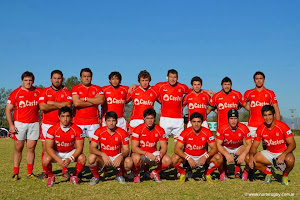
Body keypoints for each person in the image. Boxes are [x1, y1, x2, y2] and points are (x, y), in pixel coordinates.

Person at [6, 71, 42, 180]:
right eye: (26, 80)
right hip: (19, 124)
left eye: (30, 80)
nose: (28, 82)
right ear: (22, 81)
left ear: (33, 81)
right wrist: (11, 125)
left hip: (34, 124)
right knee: (18, 148)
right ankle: (16, 173)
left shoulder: (38, 92)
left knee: (31, 148)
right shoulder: (16, 93)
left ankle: (30, 173)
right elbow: (8, 109)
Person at [247, 105, 295, 185]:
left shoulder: (282, 126)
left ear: (274, 115)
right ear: (262, 116)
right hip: (269, 153)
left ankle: (285, 176)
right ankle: (269, 173)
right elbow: (254, 146)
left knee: (290, 160)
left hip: (283, 152)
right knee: (248, 158)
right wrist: (251, 156)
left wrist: (284, 154)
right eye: (265, 115)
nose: (267, 117)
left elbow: (292, 144)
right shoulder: (261, 128)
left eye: (269, 114)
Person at [38, 70, 72, 179]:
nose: (57, 80)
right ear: (50, 79)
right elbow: (42, 107)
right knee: (46, 149)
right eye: (55, 78)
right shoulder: (45, 91)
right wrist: (60, 105)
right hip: (47, 124)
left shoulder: (66, 92)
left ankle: (64, 170)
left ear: (62, 79)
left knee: (62, 148)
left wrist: (52, 103)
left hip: (62, 125)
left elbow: (69, 105)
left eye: (59, 78)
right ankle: (46, 172)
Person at [172, 112, 223, 183]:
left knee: (219, 157)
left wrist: (205, 156)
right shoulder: (185, 132)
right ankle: (183, 173)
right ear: (191, 122)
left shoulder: (207, 132)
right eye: (194, 122)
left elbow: (214, 148)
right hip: (188, 157)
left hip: (202, 157)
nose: (196, 124)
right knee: (175, 158)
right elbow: (176, 149)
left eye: (198, 122)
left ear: (202, 122)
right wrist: (188, 158)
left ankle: (207, 174)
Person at [43, 106, 86, 187]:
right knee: (45, 159)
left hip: (70, 152)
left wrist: (70, 159)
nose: (65, 119)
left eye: (67, 116)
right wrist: (58, 159)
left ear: (71, 117)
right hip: (57, 152)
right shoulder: (52, 129)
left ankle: (74, 176)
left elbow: (80, 148)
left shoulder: (77, 129)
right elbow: (48, 148)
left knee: (82, 158)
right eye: (63, 116)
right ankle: (51, 176)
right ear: (59, 117)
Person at [89, 111, 132, 185]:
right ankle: (96, 177)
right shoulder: (99, 131)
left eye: (113, 120)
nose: (111, 123)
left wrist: (121, 156)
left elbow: (127, 150)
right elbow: (91, 148)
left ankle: (119, 175)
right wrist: (102, 154)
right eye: (109, 120)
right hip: (104, 159)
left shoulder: (122, 132)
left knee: (129, 161)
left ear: (116, 122)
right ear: (105, 122)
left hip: (117, 158)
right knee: (91, 157)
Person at [131, 108, 171, 183]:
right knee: (135, 157)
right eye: (147, 118)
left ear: (154, 118)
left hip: (153, 153)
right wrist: (146, 153)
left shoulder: (160, 130)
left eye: (151, 118)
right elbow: (134, 148)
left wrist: (160, 155)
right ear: (144, 119)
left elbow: (164, 147)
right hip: (142, 154)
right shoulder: (138, 129)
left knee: (168, 160)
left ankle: (155, 172)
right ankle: (136, 174)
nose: (150, 120)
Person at [216, 109, 252, 181]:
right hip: (225, 147)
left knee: (249, 156)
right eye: (231, 118)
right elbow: (218, 145)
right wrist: (226, 154)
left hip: (238, 147)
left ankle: (245, 172)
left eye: (235, 118)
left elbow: (249, 144)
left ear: (238, 119)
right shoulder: (222, 128)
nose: (233, 121)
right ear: (228, 119)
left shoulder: (243, 127)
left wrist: (243, 154)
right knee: (218, 157)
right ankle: (222, 172)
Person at [242, 71, 281, 139]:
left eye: (260, 78)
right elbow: (244, 104)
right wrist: (250, 108)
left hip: (266, 124)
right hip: (252, 125)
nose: (259, 80)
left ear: (264, 80)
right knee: (251, 147)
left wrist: (278, 124)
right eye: (257, 79)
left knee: (268, 147)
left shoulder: (270, 93)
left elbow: (276, 109)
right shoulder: (248, 93)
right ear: (254, 80)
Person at [71, 68, 105, 141]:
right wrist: (94, 101)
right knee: (78, 147)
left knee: (94, 147)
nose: (86, 78)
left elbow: (101, 101)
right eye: (84, 76)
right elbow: (76, 103)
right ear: (81, 78)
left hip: (94, 122)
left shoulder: (97, 88)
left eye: (88, 76)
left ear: (91, 78)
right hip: (78, 122)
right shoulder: (76, 88)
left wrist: (85, 99)